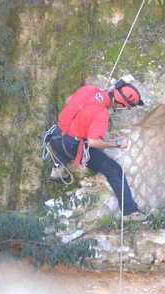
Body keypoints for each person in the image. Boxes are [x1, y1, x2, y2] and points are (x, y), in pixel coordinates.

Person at [46, 78, 146, 221]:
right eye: (126, 108)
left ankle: (58, 166)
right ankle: (130, 211)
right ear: (120, 104)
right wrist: (116, 144)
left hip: (56, 136)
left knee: (74, 136)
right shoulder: (101, 114)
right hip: (71, 146)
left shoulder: (90, 89)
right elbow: (93, 142)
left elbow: (69, 100)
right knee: (115, 170)